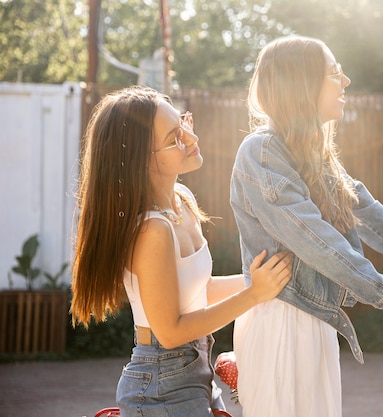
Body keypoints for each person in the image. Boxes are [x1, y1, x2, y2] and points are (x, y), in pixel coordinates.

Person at [229, 35, 383, 417]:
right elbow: (318, 242)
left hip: (316, 319)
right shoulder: (262, 152)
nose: (346, 82)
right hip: (282, 322)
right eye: (334, 73)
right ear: (303, 84)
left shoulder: (311, 153)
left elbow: (362, 208)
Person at [70, 85, 293, 417]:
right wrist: (254, 294)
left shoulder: (182, 200)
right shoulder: (152, 230)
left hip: (195, 369)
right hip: (162, 383)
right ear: (141, 160)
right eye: (174, 137)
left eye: (184, 123)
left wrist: (261, 279)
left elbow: (200, 291)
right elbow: (170, 331)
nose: (191, 138)